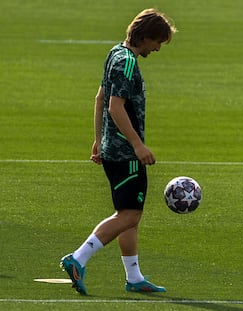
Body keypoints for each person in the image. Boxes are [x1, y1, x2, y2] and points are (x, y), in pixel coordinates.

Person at [60, 8, 176, 295]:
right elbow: (115, 105)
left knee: (127, 214)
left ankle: (134, 278)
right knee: (130, 215)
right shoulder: (127, 63)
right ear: (145, 36)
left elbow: (100, 96)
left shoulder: (115, 52)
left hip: (112, 149)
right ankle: (78, 258)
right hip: (126, 155)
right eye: (157, 42)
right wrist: (138, 145)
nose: (158, 48)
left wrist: (99, 139)